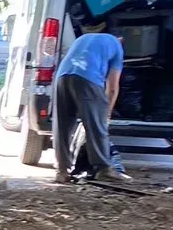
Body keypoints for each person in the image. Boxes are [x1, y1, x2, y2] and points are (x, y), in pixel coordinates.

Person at [52, 19, 128, 183]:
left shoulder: (83, 39)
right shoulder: (117, 46)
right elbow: (113, 87)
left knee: (63, 125)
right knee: (96, 125)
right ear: (120, 39)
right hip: (88, 78)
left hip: (62, 76)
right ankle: (104, 169)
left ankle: (61, 171)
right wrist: (106, 114)